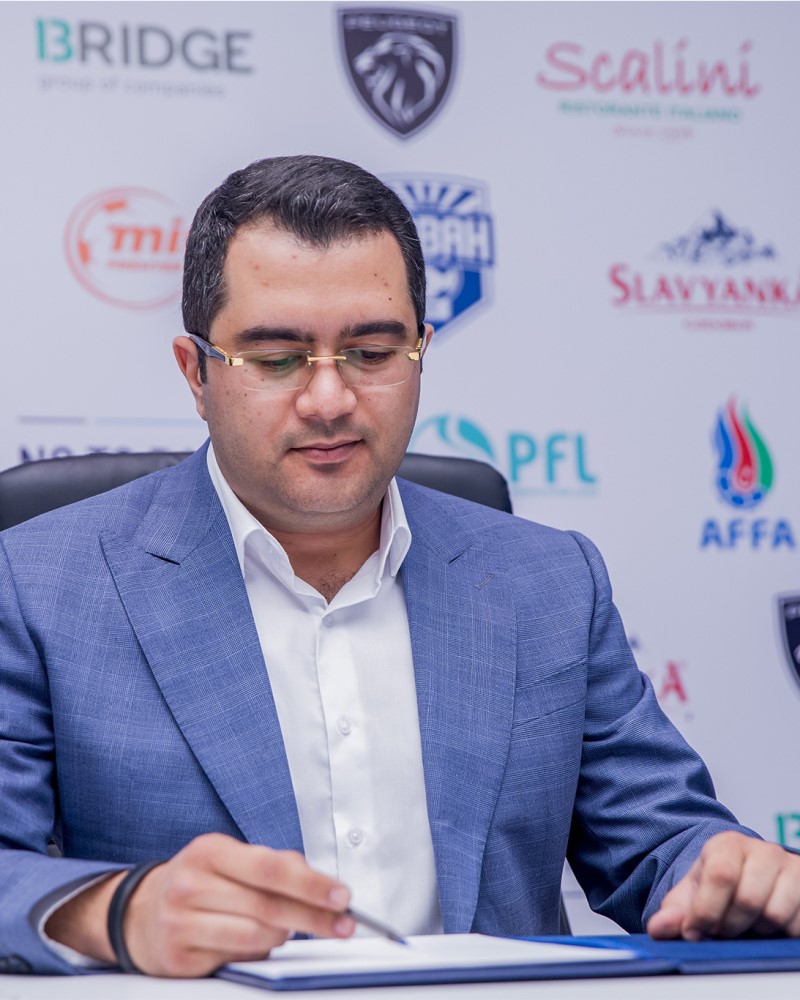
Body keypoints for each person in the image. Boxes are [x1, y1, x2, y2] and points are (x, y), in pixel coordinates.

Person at [1, 155, 798, 979]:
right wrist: (117, 909)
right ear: (195, 372)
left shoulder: (549, 583)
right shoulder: (40, 586)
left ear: (420, 352)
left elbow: (668, 844)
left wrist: (737, 875)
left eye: (372, 352)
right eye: (276, 359)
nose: (329, 400)